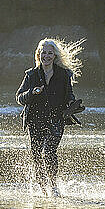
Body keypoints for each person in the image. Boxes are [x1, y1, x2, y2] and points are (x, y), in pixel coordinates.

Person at [16, 38, 84, 197]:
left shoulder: (63, 74)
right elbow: (19, 98)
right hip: (35, 119)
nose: (46, 56)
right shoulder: (31, 75)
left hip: (56, 119)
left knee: (49, 152)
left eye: (50, 53)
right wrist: (32, 92)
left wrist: (72, 104)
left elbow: (69, 94)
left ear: (55, 56)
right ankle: (42, 189)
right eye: (43, 52)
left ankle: (53, 186)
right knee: (36, 155)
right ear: (39, 54)